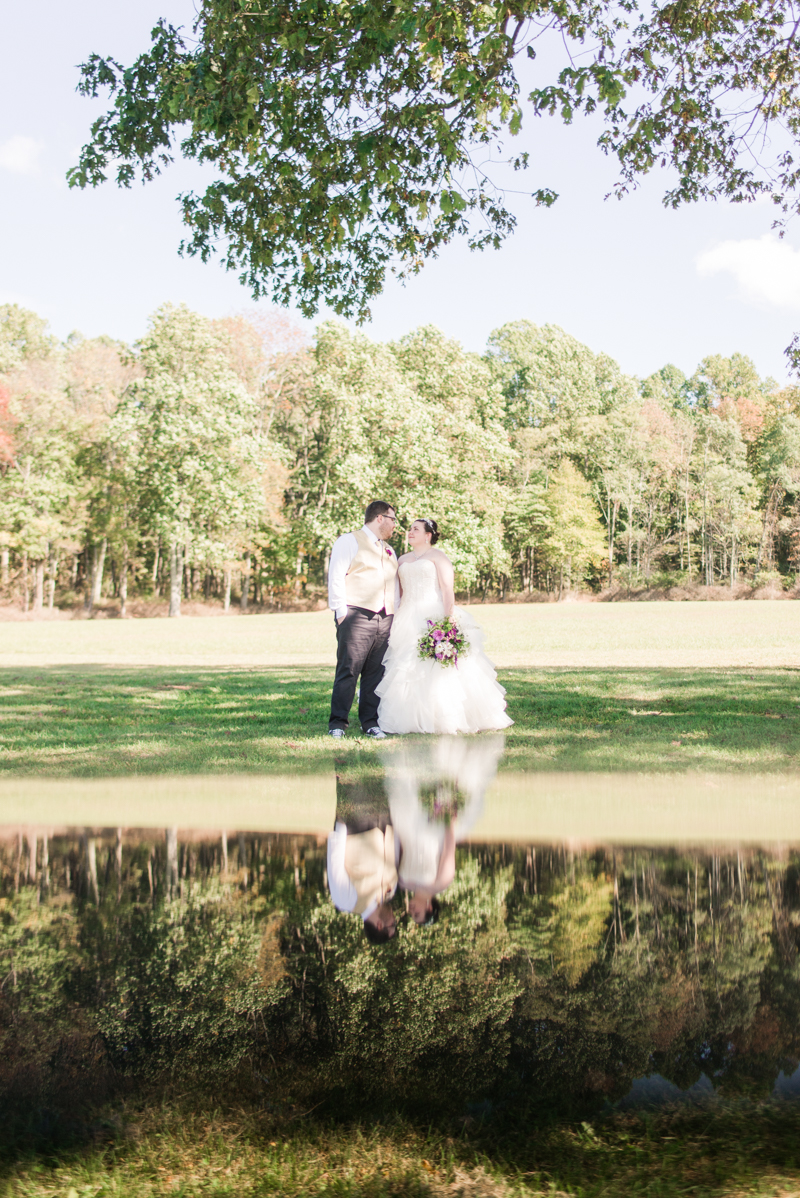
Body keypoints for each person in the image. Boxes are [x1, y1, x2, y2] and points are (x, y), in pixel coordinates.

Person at [375, 518, 513, 735]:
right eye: (410, 529)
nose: (410, 532)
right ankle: (410, 717)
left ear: (428, 535)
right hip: (407, 617)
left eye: (415, 529)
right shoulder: (402, 560)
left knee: (440, 669)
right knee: (407, 667)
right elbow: (399, 593)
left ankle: (444, 716)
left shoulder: (438, 557)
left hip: (433, 615)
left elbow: (447, 589)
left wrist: (448, 621)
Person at [384, 735, 504, 923]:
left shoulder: (403, 882)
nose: (411, 910)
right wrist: (449, 821)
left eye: (411, 914)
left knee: (408, 786)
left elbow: (397, 850)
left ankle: (411, 744)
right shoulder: (441, 883)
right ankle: (439, 750)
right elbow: (448, 851)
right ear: (429, 907)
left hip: (408, 827)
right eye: (417, 913)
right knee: (434, 786)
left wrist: (395, 826)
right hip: (432, 831)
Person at [327, 500, 399, 738]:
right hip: (356, 614)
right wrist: (340, 612)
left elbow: (394, 586)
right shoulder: (349, 540)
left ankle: (370, 722)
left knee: (375, 672)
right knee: (349, 670)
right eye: (393, 520)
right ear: (380, 518)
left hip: (384, 617)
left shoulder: (389, 549)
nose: (394, 526)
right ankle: (337, 724)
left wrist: (393, 613)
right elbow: (336, 575)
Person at [326, 754, 398, 944]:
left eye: (393, 924)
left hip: (356, 826)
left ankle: (343, 738)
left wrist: (340, 824)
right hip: (384, 824)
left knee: (349, 774)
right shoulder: (391, 892)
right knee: (377, 772)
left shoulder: (347, 902)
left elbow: (335, 865)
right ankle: (371, 735)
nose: (395, 919)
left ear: (380, 926)